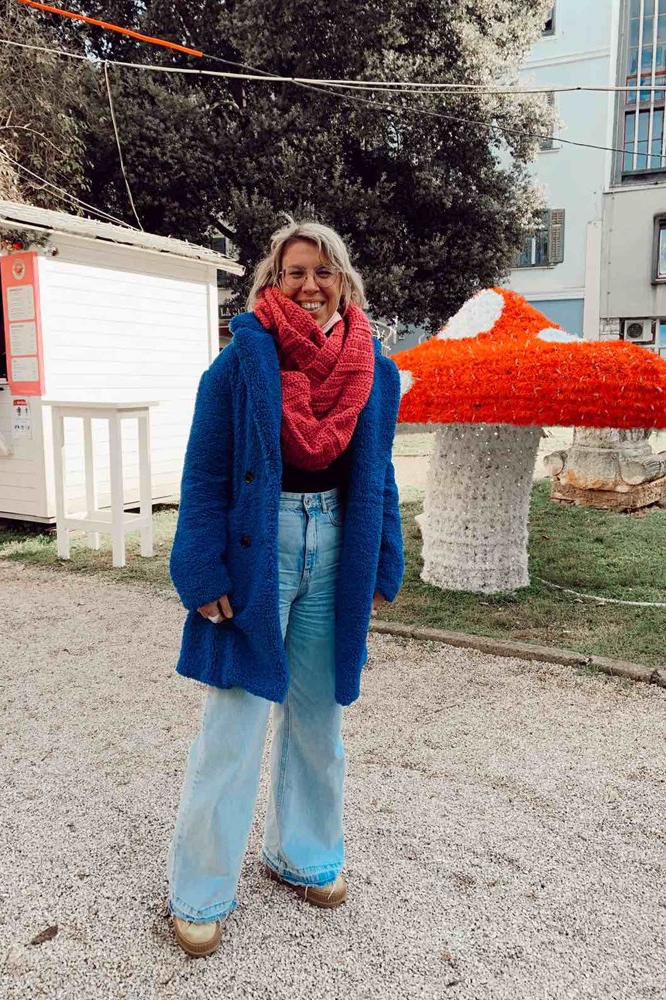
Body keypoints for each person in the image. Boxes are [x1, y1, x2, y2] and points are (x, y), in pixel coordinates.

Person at [167, 220, 405, 957]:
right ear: (273, 281)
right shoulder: (239, 364)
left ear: (343, 282)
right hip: (257, 549)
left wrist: (383, 560)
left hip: (336, 546)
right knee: (233, 725)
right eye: (295, 271)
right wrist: (200, 567)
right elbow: (205, 471)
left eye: (323, 271)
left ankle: (302, 855)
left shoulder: (376, 369)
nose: (309, 284)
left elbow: (380, 477)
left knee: (317, 717)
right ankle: (199, 892)